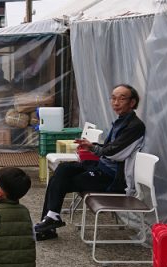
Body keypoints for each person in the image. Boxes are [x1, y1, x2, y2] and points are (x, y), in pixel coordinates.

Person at [35, 84, 146, 240]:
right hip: (100, 167)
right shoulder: (122, 121)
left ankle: (49, 222)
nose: (116, 102)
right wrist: (92, 146)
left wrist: (94, 148)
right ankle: (50, 219)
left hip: (112, 179)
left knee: (62, 181)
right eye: (113, 98)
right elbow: (109, 148)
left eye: (122, 98)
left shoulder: (135, 126)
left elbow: (115, 152)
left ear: (132, 102)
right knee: (63, 169)